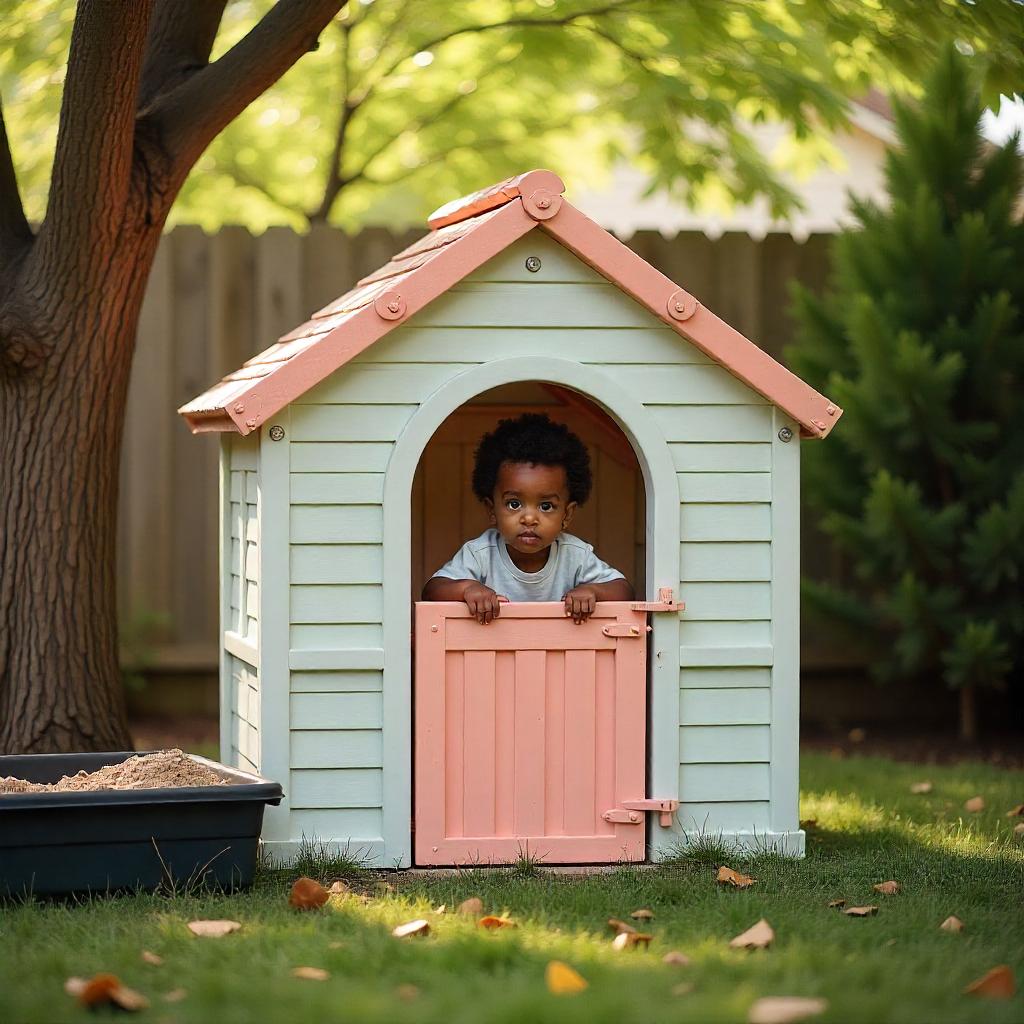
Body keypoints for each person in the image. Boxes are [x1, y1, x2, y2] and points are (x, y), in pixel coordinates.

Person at [422, 412, 633, 624]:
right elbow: (433, 590)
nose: (529, 518)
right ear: (491, 510)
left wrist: (593, 590)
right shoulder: (481, 554)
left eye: (546, 506)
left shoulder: (574, 555)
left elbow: (623, 591)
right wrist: (467, 589)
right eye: (514, 504)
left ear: (567, 515)